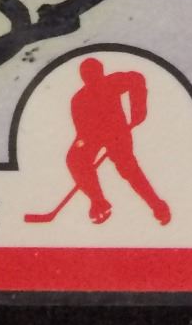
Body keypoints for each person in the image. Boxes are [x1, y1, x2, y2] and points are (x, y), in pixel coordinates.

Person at [65, 57, 171, 225]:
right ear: (82, 77)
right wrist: (84, 149)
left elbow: (136, 78)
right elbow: (81, 131)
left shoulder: (111, 82)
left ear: (101, 73)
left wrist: (138, 109)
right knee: (75, 159)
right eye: (87, 75)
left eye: (94, 74)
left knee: (128, 168)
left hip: (116, 132)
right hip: (92, 136)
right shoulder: (78, 100)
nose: (91, 79)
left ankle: (158, 207)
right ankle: (98, 202)